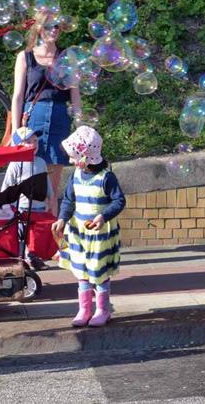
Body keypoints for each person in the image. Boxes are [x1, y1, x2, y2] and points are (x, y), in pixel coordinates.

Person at [51, 126, 126, 327]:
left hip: (99, 235)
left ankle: (103, 310)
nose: (71, 161)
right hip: (78, 234)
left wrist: (103, 216)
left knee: (98, 272)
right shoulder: (75, 175)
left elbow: (119, 201)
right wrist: (62, 219)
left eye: (74, 157)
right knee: (82, 272)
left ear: (86, 157)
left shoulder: (106, 178)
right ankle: (84, 309)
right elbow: (68, 200)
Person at [11, 11, 83, 199]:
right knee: (30, 180)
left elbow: (75, 96)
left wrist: (80, 128)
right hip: (33, 120)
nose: (54, 30)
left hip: (59, 118)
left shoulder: (68, 58)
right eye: (49, 26)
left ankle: (50, 226)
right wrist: (15, 132)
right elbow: (18, 96)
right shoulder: (24, 57)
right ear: (39, 28)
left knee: (52, 187)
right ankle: (29, 225)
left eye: (57, 26)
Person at [1, 127, 56, 269]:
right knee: (22, 235)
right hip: (22, 207)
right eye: (28, 141)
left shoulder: (40, 162)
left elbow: (46, 181)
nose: (33, 144)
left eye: (35, 140)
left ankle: (33, 256)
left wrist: (50, 197)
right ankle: (25, 258)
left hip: (39, 206)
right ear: (18, 144)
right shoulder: (15, 164)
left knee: (36, 236)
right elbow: (7, 185)